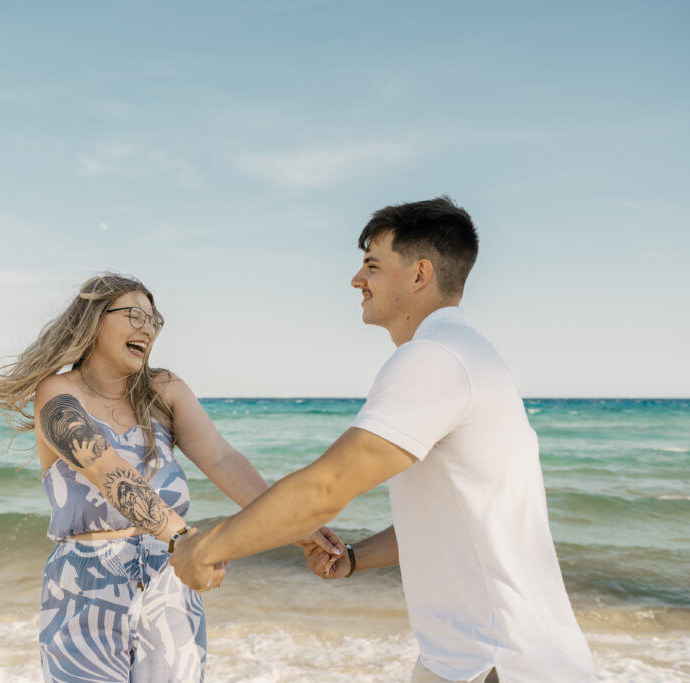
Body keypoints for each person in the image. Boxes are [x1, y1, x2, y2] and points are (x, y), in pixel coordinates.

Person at [170, 198, 596, 682]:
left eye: (372, 265)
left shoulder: (434, 359)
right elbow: (447, 520)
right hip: (479, 658)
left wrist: (206, 548)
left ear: (419, 275)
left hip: (497, 664)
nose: (357, 280)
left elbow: (324, 490)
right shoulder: (468, 357)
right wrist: (352, 560)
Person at [0, 273, 335, 683]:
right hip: (82, 595)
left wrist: (292, 523)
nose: (147, 328)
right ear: (93, 320)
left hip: (170, 589)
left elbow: (222, 459)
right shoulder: (56, 394)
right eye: (134, 316)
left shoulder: (166, 390)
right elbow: (108, 471)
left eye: (154, 320)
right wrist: (186, 540)